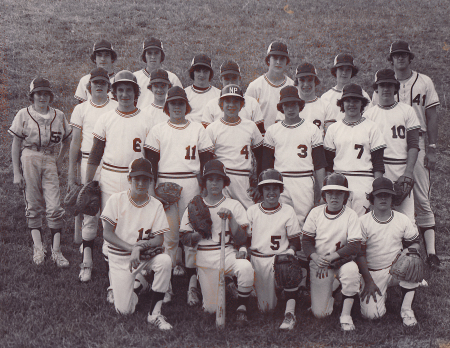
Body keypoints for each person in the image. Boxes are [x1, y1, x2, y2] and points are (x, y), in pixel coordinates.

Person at [85, 70, 154, 303]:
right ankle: (114, 283)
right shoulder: (105, 118)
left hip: (138, 180)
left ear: (137, 93)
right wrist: (88, 182)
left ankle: (138, 276)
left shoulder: (146, 119)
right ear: (114, 93)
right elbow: (95, 154)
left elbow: (153, 158)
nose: (125, 94)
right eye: (121, 90)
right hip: (111, 178)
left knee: (136, 225)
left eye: (129, 90)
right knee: (112, 229)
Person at [371, 40, 441, 270]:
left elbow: (432, 116)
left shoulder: (424, 82)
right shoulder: (379, 94)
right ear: (391, 59)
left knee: (420, 197)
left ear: (410, 58)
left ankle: (430, 253)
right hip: (387, 151)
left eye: (404, 55)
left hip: (415, 144)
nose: (400, 58)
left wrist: (431, 147)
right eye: (396, 55)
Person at [144, 86, 214, 306]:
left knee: (191, 235)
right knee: (170, 237)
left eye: (180, 103)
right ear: (167, 107)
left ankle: (193, 285)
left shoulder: (198, 129)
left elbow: (206, 163)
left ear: (187, 106)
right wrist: (152, 192)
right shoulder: (157, 130)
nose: (177, 107)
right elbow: (151, 166)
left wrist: (203, 187)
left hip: (191, 185)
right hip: (166, 186)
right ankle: (166, 286)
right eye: (172, 103)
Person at [101, 158, 173, 330]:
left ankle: (154, 313)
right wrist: (132, 248)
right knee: (124, 311)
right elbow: (107, 234)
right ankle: (139, 284)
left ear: (150, 181)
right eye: (136, 178)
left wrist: (139, 248)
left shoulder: (156, 205)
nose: (141, 183)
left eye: (145, 179)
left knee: (165, 261)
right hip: (120, 258)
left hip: (143, 257)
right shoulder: (116, 200)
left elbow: (159, 239)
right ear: (129, 179)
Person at [179, 159, 254, 322]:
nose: (214, 183)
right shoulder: (194, 206)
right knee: (211, 309)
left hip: (227, 254)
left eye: (218, 179)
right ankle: (225, 284)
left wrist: (231, 219)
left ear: (224, 182)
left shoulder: (234, 205)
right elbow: (183, 238)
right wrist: (199, 234)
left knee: (246, 268)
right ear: (204, 182)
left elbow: (243, 239)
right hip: (205, 258)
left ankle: (242, 307)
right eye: (210, 179)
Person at [9, 77, 72, 267]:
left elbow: (68, 139)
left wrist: (59, 160)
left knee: (54, 206)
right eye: (38, 93)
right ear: (32, 95)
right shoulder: (23, 114)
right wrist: (16, 173)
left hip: (49, 157)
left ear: (50, 96)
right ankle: (38, 247)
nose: (42, 97)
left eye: (46, 93)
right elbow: (16, 144)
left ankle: (56, 251)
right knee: (33, 203)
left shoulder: (58, 115)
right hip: (29, 157)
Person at [69, 67, 118, 281]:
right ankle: (87, 261)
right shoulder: (81, 109)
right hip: (88, 161)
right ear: (89, 87)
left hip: (110, 163)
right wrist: (72, 174)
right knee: (88, 209)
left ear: (109, 87)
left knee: (110, 211)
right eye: (95, 83)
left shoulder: (116, 107)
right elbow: (75, 142)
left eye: (103, 83)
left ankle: (111, 258)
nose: (99, 86)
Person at [356, 177, 423, 327]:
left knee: (412, 261)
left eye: (387, 195)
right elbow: (359, 254)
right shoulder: (362, 221)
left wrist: (409, 253)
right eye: (380, 195)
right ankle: (379, 292)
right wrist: (368, 281)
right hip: (372, 272)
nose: (384, 198)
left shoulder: (402, 219)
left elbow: (414, 242)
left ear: (393, 198)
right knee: (372, 316)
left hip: (396, 269)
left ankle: (406, 309)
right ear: (372, 198)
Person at [302, 173, 361, 331]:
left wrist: (332, 257)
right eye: (330, 193)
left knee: (351, 270)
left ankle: (346, 315)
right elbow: (306, 242)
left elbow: (355, 245)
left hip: (341, 262)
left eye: (339, 193)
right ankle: (335, 289)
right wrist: (315, 257)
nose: (334, 197)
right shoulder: (316, 213)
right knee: (321, 314)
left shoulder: (351, 214)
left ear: (345, 196)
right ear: (324, 195)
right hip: (320, 263)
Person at [263, 86, 327, 226]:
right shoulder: (273, 131)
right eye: (286, 105)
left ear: (300, 105)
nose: (290, 109)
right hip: (280, 180)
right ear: (281, 108)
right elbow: (266, 164)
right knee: (280, 219)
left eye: (294, 104)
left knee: (304, 221)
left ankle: (304, 247)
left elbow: (319, 163)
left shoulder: (312, 129)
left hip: (303, 180)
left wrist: (321, 189)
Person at [247, 169, 302, 330]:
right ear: (261, 191)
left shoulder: (288, 210)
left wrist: (290, 253)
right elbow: (246, 239)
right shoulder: (252, 211)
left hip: (280, 259)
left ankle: (290, 313)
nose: (271, 192)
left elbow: (295, 242)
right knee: (266, 309)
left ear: (281, 190)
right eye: (267, 188)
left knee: (288, 264)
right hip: (258, 259)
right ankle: (267, 290)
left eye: (275, 188)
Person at [364, 69, 420, 224]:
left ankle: (410, 248)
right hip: (378, 169)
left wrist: (408, 172)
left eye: (390, 85)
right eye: (382, 85)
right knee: (377, 215)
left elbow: (414, 144)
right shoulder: (369, 115)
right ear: (376, 88)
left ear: (396, 88)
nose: (386, 89)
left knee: (407, 219)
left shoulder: (407, 111)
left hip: (401, 168)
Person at [323, 83, 386, 216]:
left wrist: (376, 191)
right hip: (338, 181)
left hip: (364, 180)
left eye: (356, 101)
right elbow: (328, 165)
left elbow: (378, 164)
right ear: (342, 104)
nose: (352, 104)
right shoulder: (333, 129)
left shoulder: (372, 127)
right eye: (348, 101)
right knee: (340, 223)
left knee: (362, 223)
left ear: (362, 104)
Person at [206, 84, 263, 209]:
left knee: (247, 217)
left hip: (242, 179)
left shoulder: (251, 126)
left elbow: (262, 157)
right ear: (221, 104)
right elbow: (206, 160)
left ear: (242, 104)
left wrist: (259, 184)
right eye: (227, 101)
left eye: (235, 101)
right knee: (220, 216)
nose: (231, 105)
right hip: (220, 178)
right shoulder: (212, 129)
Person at [201, 60, 264, 134]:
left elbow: (260, 134)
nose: (230, 83)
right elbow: (205, 137)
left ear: (239, 78)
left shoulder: (252, 103)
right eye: (227, 79)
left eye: (234, 78)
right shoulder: (211, 105)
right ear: (221, 79)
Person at [246, 41, 294, 130]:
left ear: (287, 61)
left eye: (282, 58)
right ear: (268, 60)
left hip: (286, 137)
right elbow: (246, 117)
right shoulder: (255, 87)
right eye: (275, 58)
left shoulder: (293, 87)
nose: (278, 62)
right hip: (261, 139)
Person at [276, 62, 333, 133]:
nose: (306, 84)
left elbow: (330, 135)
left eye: (310, 80)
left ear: (315, 81)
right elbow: (279, 133)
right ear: (297, 82)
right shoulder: (287, 105)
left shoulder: (325, 105)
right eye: (302, 80)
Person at [321, 53, 371, 130]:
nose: (344, 73)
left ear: (352, 72)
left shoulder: (362, 94)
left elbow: (369, 120)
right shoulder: (326, 97)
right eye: (341, 69)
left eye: (348, 69)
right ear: (335, 71)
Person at [135, 37, 182, 109]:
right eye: (149, 53)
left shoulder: (172, 78)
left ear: (161, 55)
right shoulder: (135, 77)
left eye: (156, 53)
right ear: (144, 56)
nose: (153, 57)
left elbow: (181, 103)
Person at [184, 54, 220, 123]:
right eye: (198, 71)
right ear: (192, 72)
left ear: (210, 73)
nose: (202, 75)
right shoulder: (184, 93)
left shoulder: (218, 95)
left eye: (205, 71)